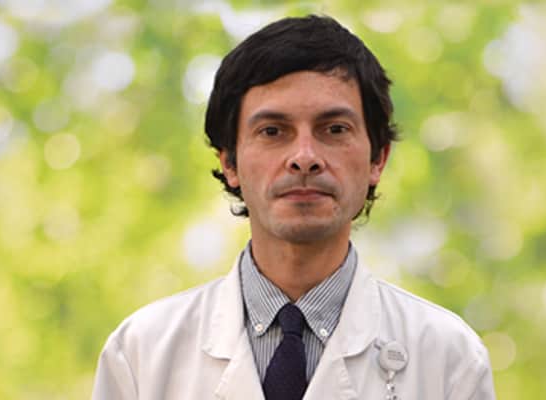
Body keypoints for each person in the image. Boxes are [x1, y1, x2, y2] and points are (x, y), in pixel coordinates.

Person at [92, 15, 496, 400]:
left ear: (378, 159)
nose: (305, 157)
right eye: (272, 131)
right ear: (229, 163)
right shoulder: (141, 353)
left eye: (334, 129)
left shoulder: (448, 357)